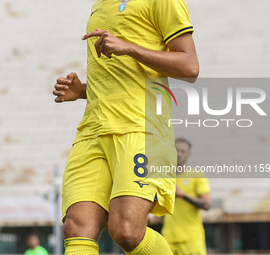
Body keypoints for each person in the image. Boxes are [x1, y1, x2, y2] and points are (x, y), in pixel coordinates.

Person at [52, 0, 199, 254]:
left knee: (127, 231)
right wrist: (83, 91)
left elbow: (190, 67)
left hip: (141, 130)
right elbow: (122, 77)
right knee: (77, 227)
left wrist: (130, 48)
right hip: (92, 131)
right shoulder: (101, 3)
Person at [161, 138, 211, 255]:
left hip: (191, 238)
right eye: (176, 150)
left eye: (183, 151)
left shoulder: (197, 175)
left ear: (189, 154)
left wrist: (183, 196)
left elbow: (207, 204)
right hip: (169, 237)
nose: (179, 154)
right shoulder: (166, 176)